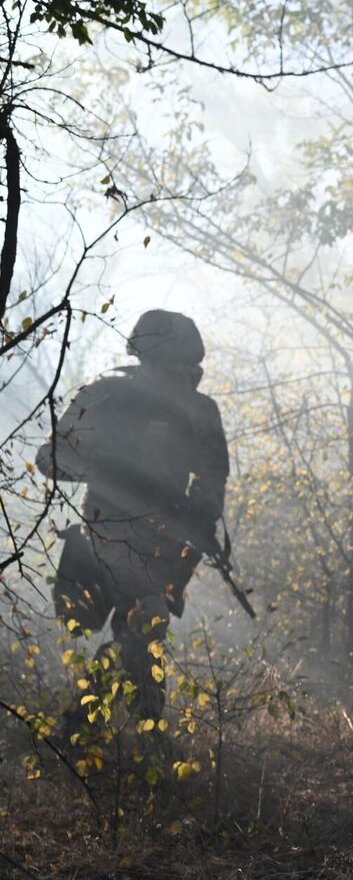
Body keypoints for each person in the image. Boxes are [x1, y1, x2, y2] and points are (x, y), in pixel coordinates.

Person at [38, 309, 230, 727]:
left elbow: (213, 475)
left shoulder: (199, 411)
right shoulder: (105, 395)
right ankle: (147, 730)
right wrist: (107, 470)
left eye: (185, 364)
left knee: (135, 633)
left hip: (164, 540)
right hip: (107, 530)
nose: (179, 373)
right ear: (146, 358)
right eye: (170, 363)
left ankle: (84, 728)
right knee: (147, 621)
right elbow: (50, 458)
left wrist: (200, 512)